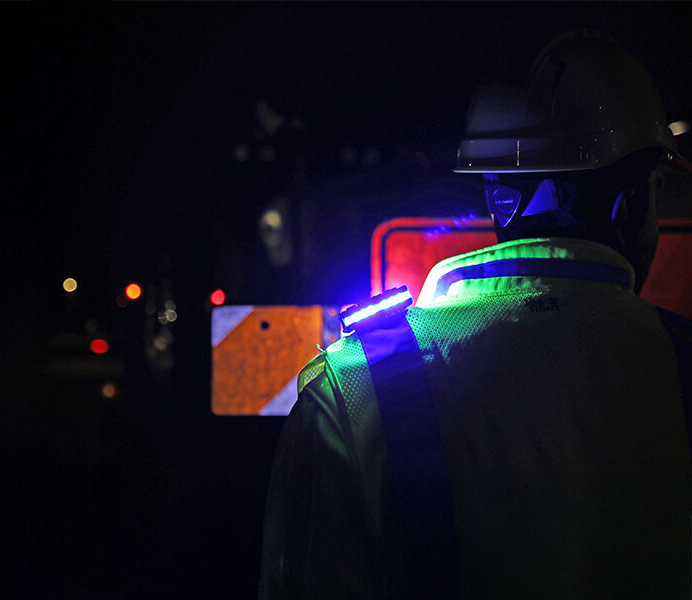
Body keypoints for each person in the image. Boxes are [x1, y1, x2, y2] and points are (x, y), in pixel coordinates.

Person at [258, 30, 692, 599]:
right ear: (629, 204)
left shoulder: (354, 387)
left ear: (495, 194)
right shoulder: (680, 364)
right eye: (655, 191)